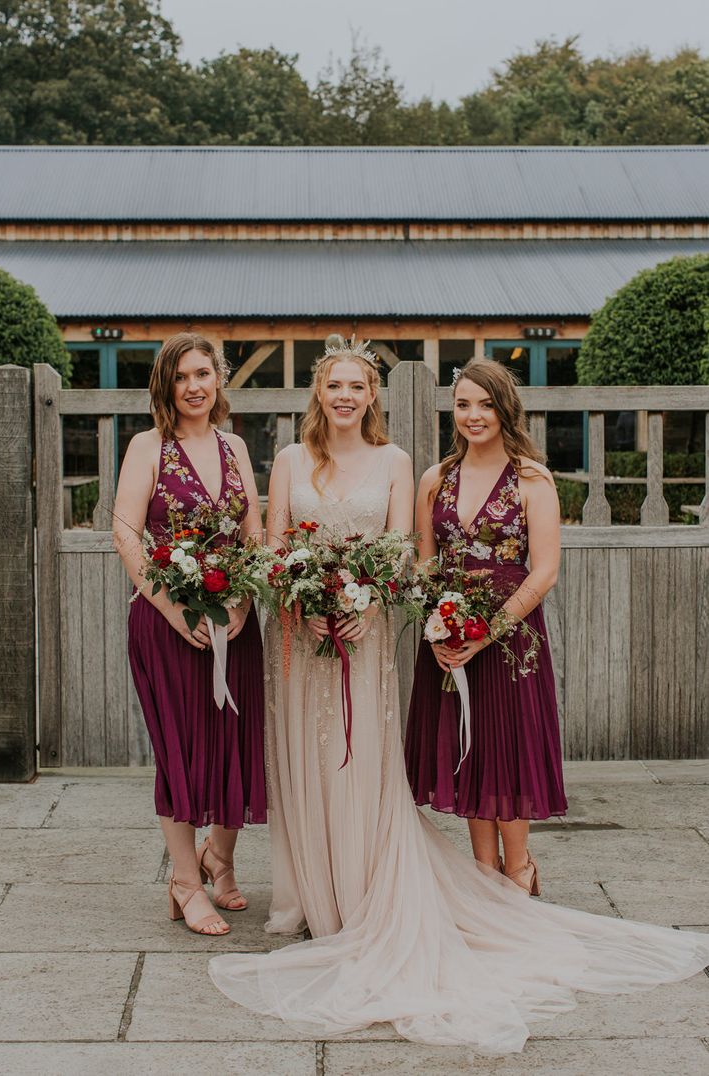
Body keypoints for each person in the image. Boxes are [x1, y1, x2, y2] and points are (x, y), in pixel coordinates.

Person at [209, 340, 709, 1053]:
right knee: (318, 758)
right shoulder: (329, 466)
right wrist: (309, 600)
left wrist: (376, 604)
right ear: (319, 393)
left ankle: (499, 875)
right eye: (335, 385)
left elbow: (444, 560)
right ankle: (324, 893)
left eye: (358, 385)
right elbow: (404, 554)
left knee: (458, 757)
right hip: (315, 633)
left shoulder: (468, 471)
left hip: (412, 632)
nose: (345, 396)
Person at [113, 332, 266, 937]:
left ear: (219, 378)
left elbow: (252, 534)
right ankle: (184, 881)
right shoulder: (149, 446)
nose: (195, 386)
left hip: (233, 618)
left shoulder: (235, 447)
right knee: (180, 749)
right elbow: (125, 532)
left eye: (204, 373)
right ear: (166, 386)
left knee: (238, 741)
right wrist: (175, 609)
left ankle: (220, 861)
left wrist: (246, 602)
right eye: (182, 377)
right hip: (168, 621)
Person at [405, 358, 566, 893]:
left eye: (486, 404)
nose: (474, 415)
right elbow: (426, 562)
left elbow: (543, 571)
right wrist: (441, 625)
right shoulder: (435, 479)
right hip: (449, 637)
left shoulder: (532, 479)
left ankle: (519, 870)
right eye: (463, 404)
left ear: (505, 409)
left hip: (511, 635)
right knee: (467, 750)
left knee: (508, 748)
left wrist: (485, 631)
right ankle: (483, 872)